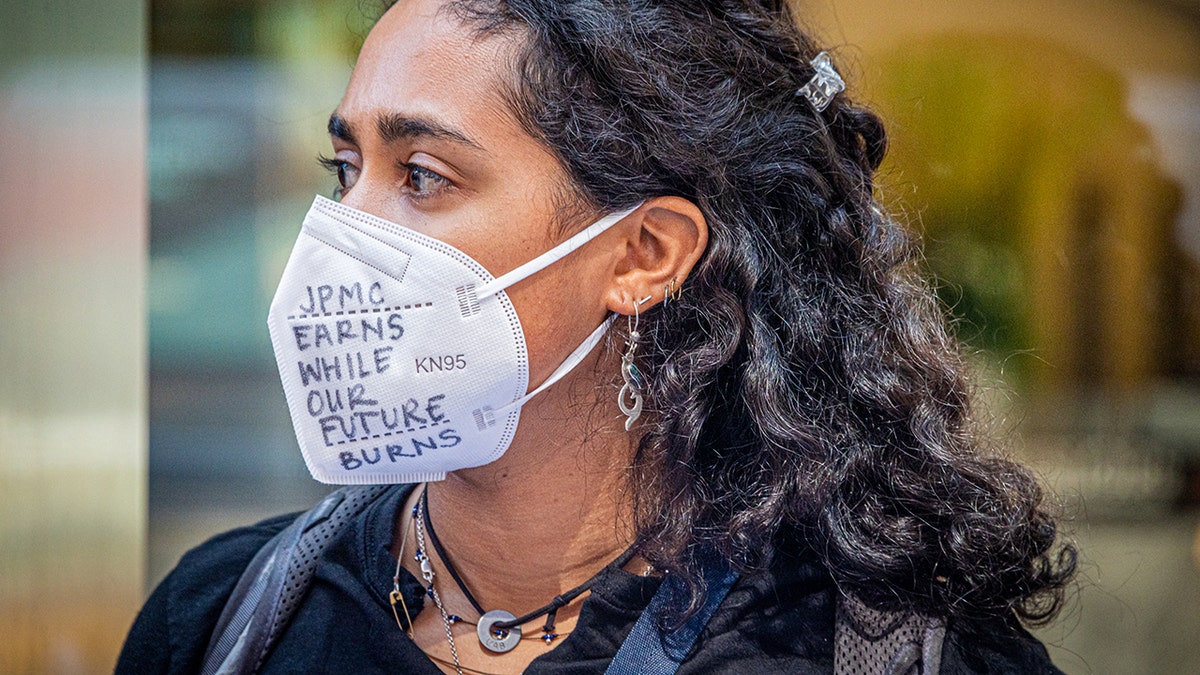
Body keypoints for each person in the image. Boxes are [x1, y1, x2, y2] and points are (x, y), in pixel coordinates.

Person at [118, 0, 1076, 673]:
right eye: (345, 167)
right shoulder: (223, 619)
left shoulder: (880, 651)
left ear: (643, 253)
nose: (340, 235)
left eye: (421, 175)